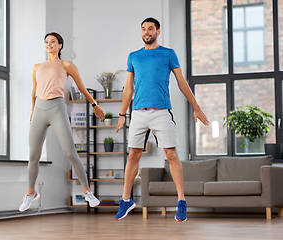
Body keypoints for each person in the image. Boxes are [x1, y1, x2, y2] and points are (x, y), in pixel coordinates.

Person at [114, 18, 209, 222]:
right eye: (143, 29)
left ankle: (181, 201)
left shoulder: (168, 53)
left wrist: (196, 107)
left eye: (150, 29)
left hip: (161, 111)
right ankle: (126, 200)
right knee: (133, 155)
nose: (146, 32)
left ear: (157, 31)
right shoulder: (133, 56)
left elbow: (182, 83)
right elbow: (128, 88)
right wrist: (122, 114)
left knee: (171, 154)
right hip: (138, 112)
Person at [19, 32, 105, 212]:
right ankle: (30, 193)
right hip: (40, 110)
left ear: (60, 45)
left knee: (71, 154)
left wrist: (95, 105)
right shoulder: (37, 67)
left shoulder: (66, 65)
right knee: (33, 156)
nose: (49, 44)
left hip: (57, 108)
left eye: (52, 42)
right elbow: (34, 91)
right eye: (46, 42)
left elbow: (81, 87)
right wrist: (33, 110)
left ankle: (87, 191)